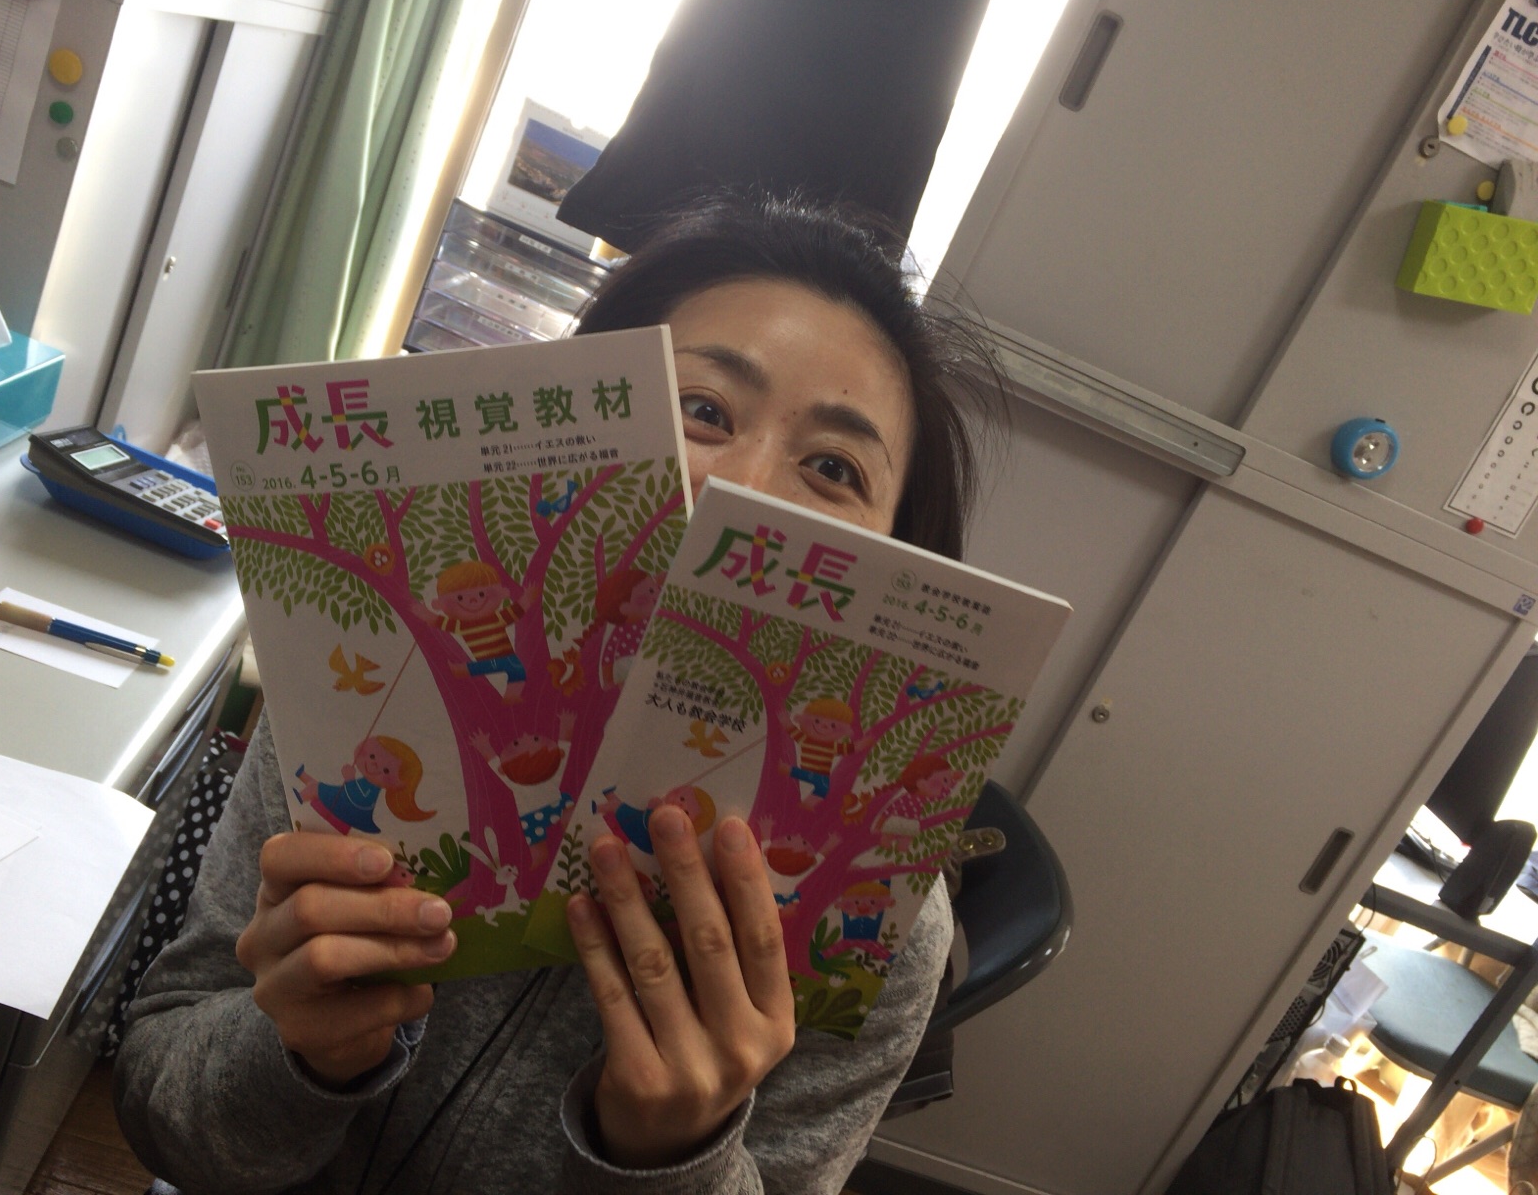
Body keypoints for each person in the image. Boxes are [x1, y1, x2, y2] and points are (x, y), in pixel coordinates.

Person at [114, 190, 1007, 1194]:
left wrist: (672, 1158)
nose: (744, 491)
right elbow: (163, 1109)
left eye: (834, 468)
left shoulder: (880, 932)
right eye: (703, 410)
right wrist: (299, 1057)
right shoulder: (362, 698)